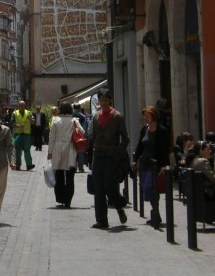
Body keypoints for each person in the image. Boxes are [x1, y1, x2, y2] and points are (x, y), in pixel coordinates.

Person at [89, 88, 129, 229]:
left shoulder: (117, 116)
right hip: (98, 156)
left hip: (111, 157)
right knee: (98, 190)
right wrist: (90, 155)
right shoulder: (96, 117)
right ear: (98, 101)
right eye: (101, 100)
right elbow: (93, 137)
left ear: (110, 100)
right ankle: (101, 220)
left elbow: (125, 139)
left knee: (109, 187)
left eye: (106, 100)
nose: (104, 103)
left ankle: (119, 205)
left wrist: (118, 152)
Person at [132, 106, 169, 229]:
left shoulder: (162, 130)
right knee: (146, 189)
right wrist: (135, 160)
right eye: (144, 116)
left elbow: (165, 149)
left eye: (147, 116)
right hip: (144, 163)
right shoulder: (145, 129)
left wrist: (164, 165)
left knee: (151, 188)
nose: (145, 118)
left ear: (153, 116)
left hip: (155, 165)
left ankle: (155, 213)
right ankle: (156, 213)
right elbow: (140, 146)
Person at [47, 102, 83, 208]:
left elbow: (51, 137)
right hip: (70, 149)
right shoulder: (74, 121)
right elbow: (82, 132)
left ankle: (60, 198)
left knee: (59, 175)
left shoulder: (56, 121)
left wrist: (50, 152)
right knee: (70, 176)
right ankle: (68, 201)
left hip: (58, 149)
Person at [11, 100, 35, 171]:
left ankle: (29, 165)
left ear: (25, 106)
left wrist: (30, 118)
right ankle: (18, 165)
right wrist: (16, 125)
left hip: (26, 135)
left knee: (27, 150)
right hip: (17, 135)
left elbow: (33, 122)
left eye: (23, 105)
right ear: (18, 106)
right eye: (20, 105)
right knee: (17, 150)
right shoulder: (15, 113)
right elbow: (12, 122)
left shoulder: (29, 113)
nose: (22, 107)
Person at [72, 103, 88, 173]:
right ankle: (81, 168)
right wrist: (85, 136)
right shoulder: (83, 116)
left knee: (73, 152)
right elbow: (85, 127)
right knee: (81, 152)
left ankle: (74, 167)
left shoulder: (70, 114)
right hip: (80, 136)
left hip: (72, 136)